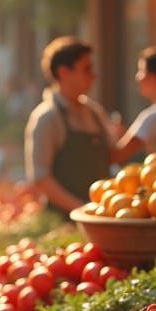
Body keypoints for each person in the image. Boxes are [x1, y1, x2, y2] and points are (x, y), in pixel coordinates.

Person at [24, 37, 114, 215]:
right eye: (86, 69)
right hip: (63, 221)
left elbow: (112, 155)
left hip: (101, 215)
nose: (93, 75)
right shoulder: (47, 117)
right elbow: (40, 178)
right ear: (64, 72)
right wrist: (81, 209)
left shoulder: (95, 113)